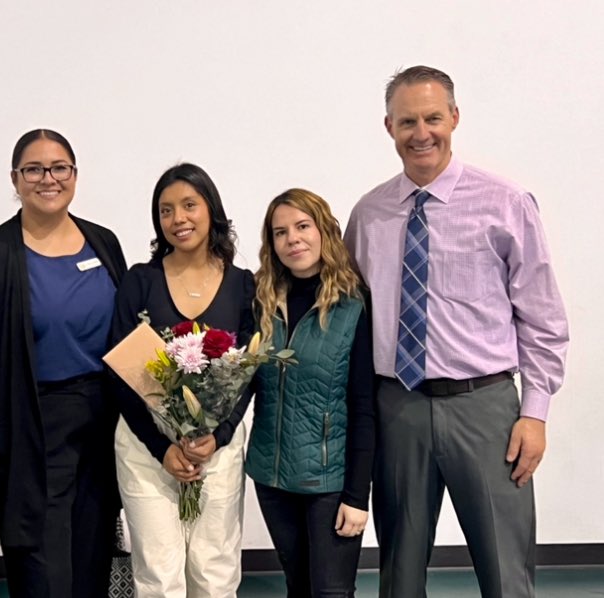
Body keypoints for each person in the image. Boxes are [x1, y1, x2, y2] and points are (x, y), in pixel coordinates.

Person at [344, 65, 569, 598]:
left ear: (454, 118)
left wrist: (534, 412)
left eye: (432, 118)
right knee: (399, 573)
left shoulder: (506, 204)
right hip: (397, 407)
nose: (421, 132)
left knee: (504, 569)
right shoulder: (368, 215)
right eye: (407, 121)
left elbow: (543, 318)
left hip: (485, 408)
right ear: (388, 127)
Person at [0, 129, 126, 597]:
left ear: (75, 175)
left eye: (59, 168)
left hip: (101, 430)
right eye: (34, 169)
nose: (47, 179)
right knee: (42, 571)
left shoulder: (104, 243)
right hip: (30, 430)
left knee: (92, 563)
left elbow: (131, 335)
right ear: (15, 178)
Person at [110, 163, 255, 597]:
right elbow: (122, 374)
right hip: (145, 448)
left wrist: (219, 436)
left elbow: (248, 375)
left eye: (189, 205)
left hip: (218, 450)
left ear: (211, 209)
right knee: (158, 574)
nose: (179, 219)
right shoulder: (140, 281)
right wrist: (163, 448)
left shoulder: (243, 285)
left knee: (215, 572)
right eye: (166, 210)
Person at [245, 188, 375, 598]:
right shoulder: (261, 301)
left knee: (332, 593)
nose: (293, 239)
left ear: (324, 231)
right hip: (272, 477)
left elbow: (363, 407)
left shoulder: (353, 304)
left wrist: (357, 495)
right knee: (297, 588)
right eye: (280, 232)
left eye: (303, 226)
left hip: (330, 482)